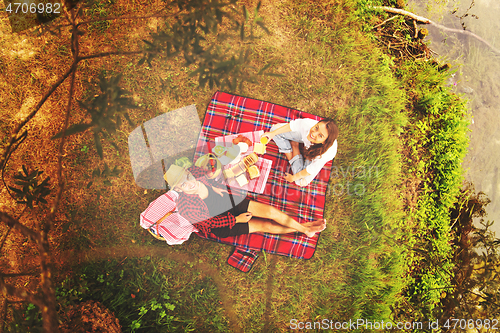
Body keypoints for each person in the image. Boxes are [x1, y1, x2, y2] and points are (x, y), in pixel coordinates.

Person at [164, 164, 326, 239]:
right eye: (183, 184)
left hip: (226, 200)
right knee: (265, 225)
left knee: (269, 212)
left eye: (188, 177)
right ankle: (305, 229)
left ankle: (305, 230)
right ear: (178, 189)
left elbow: (208, 176)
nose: (190, 182)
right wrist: (235, 219)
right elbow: (209, 224)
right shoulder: (186, 207)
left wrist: (214, 187)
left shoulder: (194, 171)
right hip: (222, 223)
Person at [262, 118, 338, 187]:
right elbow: (291, 126)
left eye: (320, 135)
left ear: (324, 142)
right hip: (304, 138)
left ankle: (295, 146)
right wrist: (272, 134)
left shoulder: (322, 156)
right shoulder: (307, 124)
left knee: (300, 182)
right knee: (274, 130)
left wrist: (292, 178)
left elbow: (308, 171)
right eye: (316, 127)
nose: (314, 133)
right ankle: (292, 150)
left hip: (313, 154)